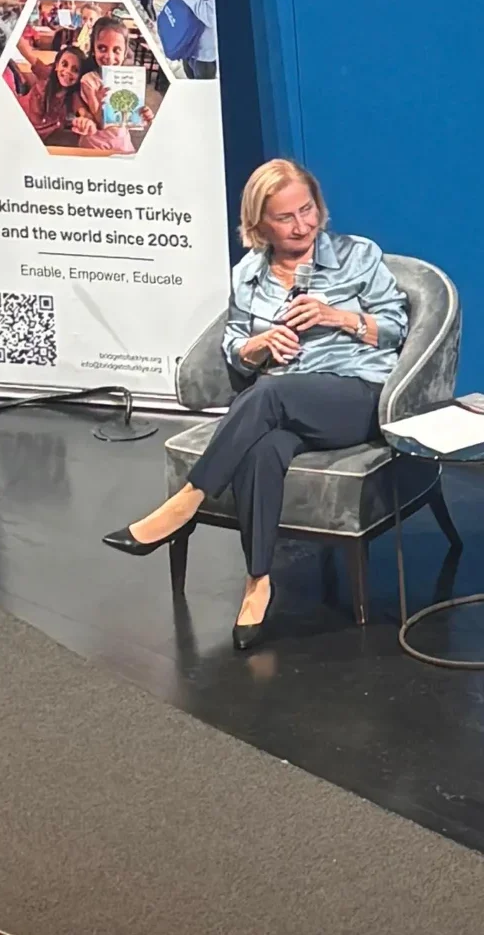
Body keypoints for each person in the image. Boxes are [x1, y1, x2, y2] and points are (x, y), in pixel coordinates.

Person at [103, 160, 409, 651]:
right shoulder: (249, 274)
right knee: (263, 449)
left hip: (356, 393)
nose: (302, 226)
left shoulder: (358, 255)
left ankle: (186, 502)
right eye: (285, 218)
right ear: (260, 224)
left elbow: (396, 326)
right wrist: (259, 345)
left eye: (307, 210)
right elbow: (234, 348)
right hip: (286, 401)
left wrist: (337, 317)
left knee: (265, 394)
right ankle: (258, 582)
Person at [74, 16, 158, 152]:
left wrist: (142, 113)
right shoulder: (89, 81)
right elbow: (101, 123)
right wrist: (100, 100)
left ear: (125, 53)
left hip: (122, 143)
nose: (109, 57)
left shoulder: (129, 79)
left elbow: (129, 118)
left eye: (116, 50)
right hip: (95, 145)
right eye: (102, 48)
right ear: (93, 50)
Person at [12, 35, 101, 146]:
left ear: (79, 76)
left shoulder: (74, 96)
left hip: (34, 139)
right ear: (57, 66)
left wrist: (87, 123)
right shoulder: (47, 74)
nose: (67, 71)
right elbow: (27, 53)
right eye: (64, 64)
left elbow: (84, 114)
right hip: (15, 117)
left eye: (75, 70)